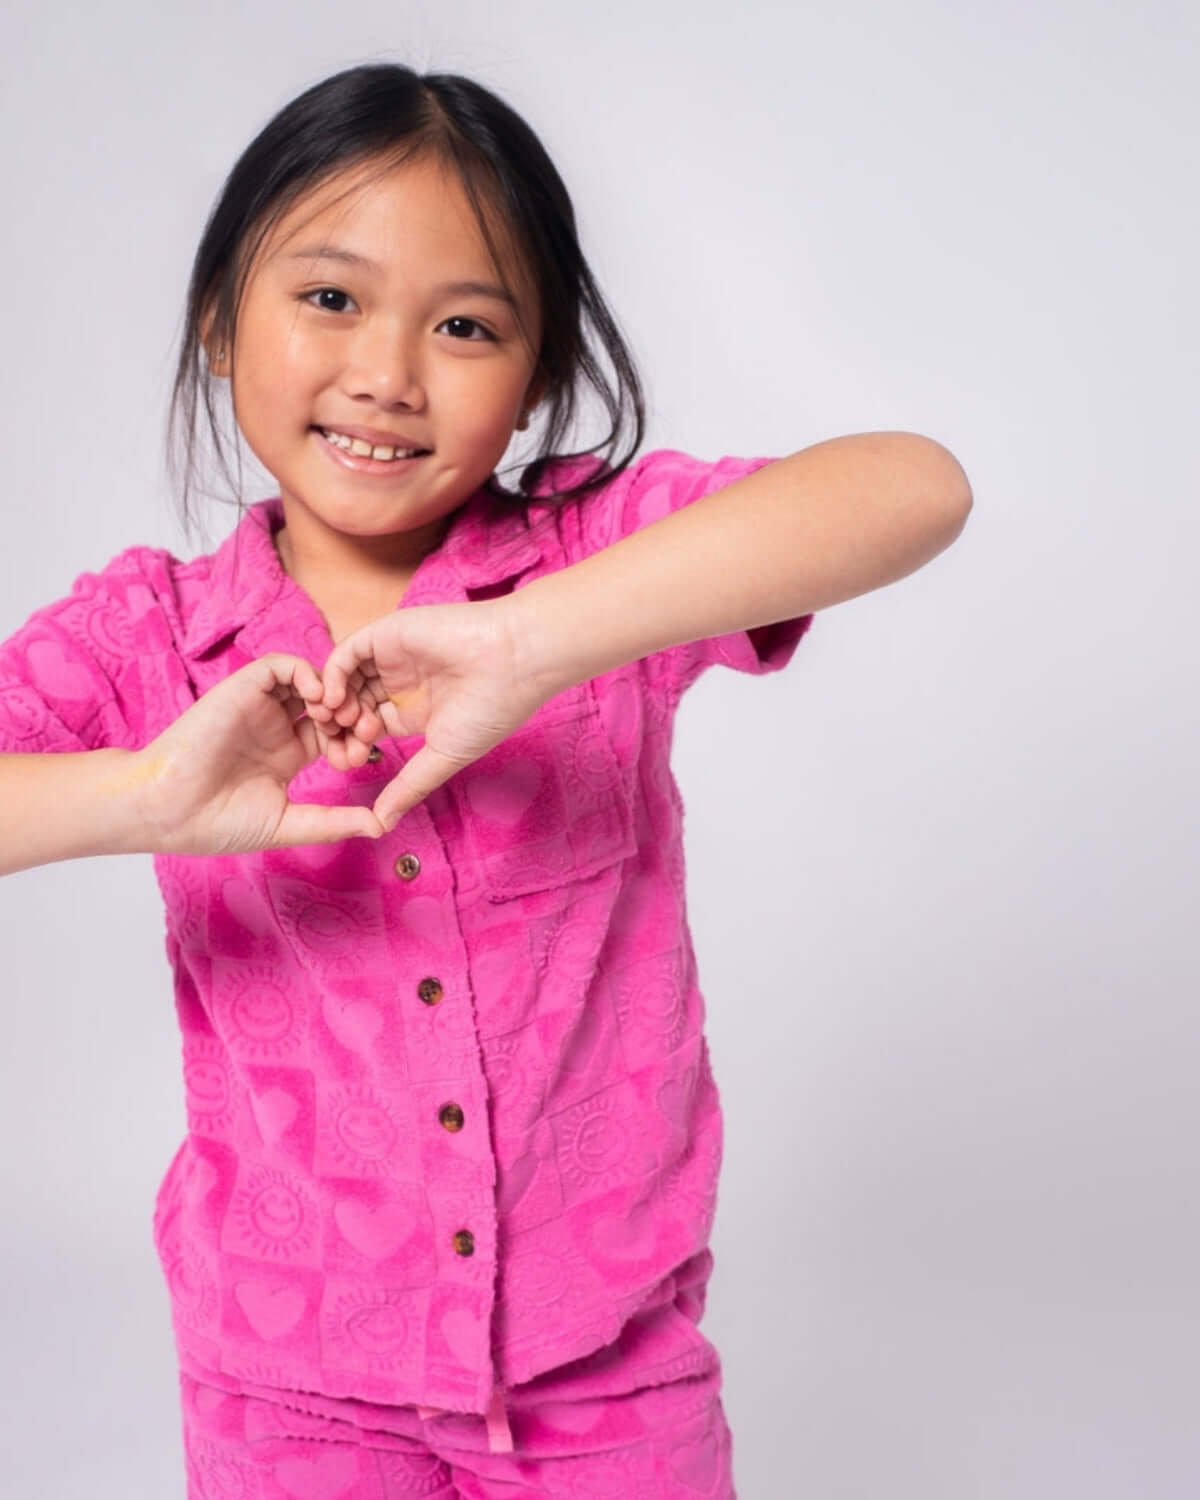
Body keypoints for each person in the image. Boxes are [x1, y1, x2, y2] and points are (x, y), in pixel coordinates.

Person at [0, 61, 971, 1500]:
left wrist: (533, 645)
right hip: (290, 1391)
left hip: (609, 1367)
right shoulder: (147, 633)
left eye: (465, 325)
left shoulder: (600, 563)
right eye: (329, 297)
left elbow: (915, 488)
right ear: (217, 319)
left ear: (538, 380)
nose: (389, 373)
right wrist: (143, 794)